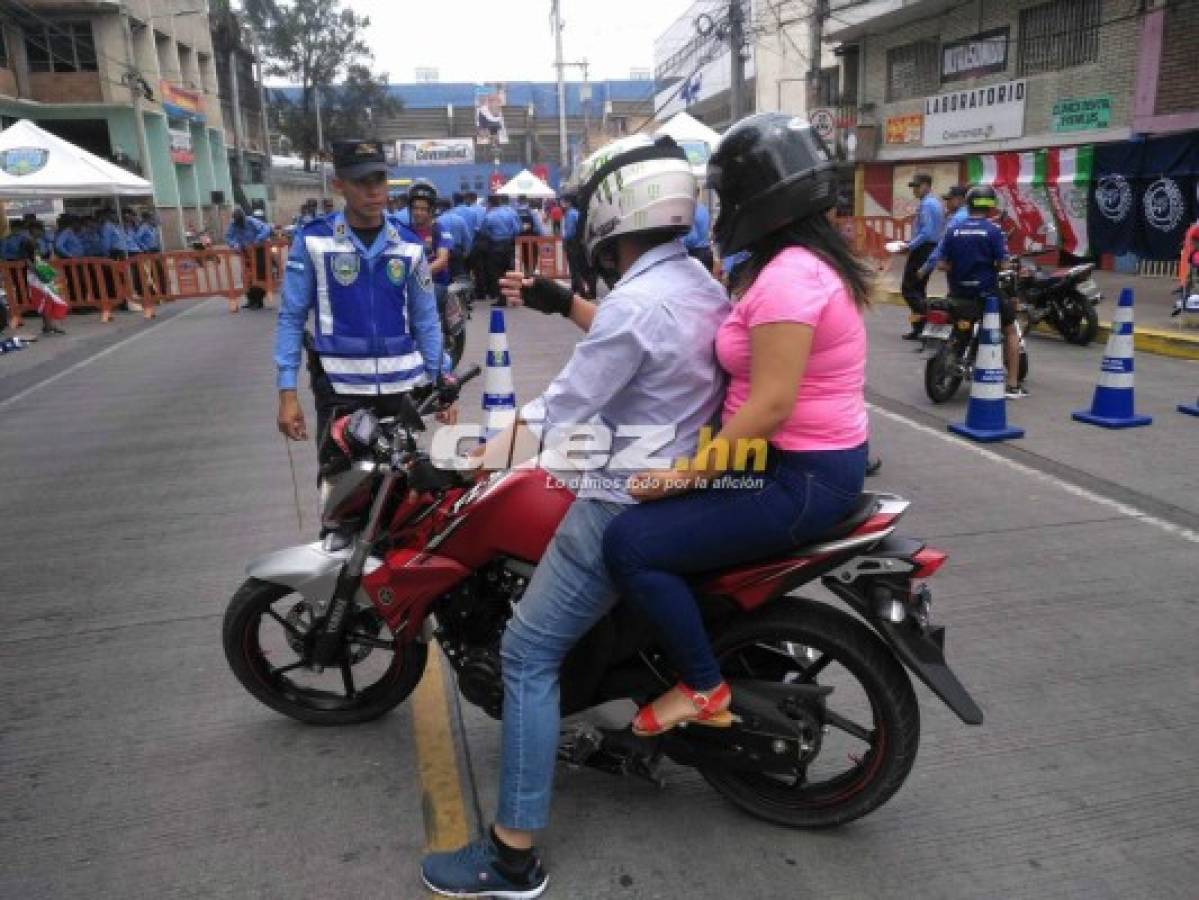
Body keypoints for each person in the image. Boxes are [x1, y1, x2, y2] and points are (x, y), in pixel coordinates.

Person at [420, 134, 729, 900]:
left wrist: (462, 458)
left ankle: (511, 857)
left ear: (610, 217)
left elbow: (559, 411)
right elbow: (640, 348)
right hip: (691, 484)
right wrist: (564, 305)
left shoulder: (635, 304)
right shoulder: (698, 282)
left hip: (621, 496)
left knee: (526, 653)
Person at [601, 111, 872, 739]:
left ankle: (702, 684)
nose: (720, 210)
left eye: (727, 195)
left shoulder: (788, 279)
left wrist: (682, 477)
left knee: (629, 544)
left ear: (759, 196)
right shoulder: (797, 264)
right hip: (790, 464)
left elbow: (770, 405)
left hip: (795, 475)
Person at [274, 139, 447, 468]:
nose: (373, 191)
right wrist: (287, 392)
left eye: (379, 179)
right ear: (339, 184)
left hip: (402, 388)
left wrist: (439, 380)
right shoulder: (313, 240)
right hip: (340, 391)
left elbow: (426, 320)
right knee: (343, 488)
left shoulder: (409, 244)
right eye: (361, 181)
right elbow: (291, 318)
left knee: (401, 485)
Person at [936, 184, 1026, 398]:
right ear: (990, 206)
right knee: (1011, 331)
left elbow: (941, 264)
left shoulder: (953, 230)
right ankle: (1013, 385)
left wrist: (959, 267)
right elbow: (1004, 265)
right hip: (986, 295)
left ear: (968, 204)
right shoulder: (993, 231)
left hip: (958, 294)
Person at [899, 172, 944, 340]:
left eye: (917, 186)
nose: (914, 190)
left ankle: (926, 323)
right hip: (928, 248)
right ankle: (920, 328)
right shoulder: (934, 203)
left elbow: (927, 232)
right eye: (913, 187)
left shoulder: (927, 204)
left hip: (923, 249)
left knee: (908, 289)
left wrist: (909, 246)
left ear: (926, 185)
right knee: (918, 289)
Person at [407, 182, 456, 317]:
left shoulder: (440, 231)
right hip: (408, 284)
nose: (418, 212)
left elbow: (442, 260)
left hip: (435, 283)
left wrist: (418, 275)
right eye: (415, 208)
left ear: (432, 210)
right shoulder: (404, 231)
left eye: (423, 209)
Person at [226, 206, 273, 310]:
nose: (239, 224)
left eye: (240, 222)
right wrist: (234, 244)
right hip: (245, 252)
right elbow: (228, 237)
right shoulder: (233, 224)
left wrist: (257, 240)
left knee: (259, 275)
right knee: (247, 276)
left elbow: (266, 229)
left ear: (243, 217)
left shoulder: (251, 221)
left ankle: (258, 301)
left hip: (258, 251)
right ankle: (251, 300)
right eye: (237, 222)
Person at [918, 185, 969, 279]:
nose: (946, 203)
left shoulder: (956, 219)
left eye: (949, 200)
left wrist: (926, 267)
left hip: (959, 267)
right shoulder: (972, 215)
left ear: (959, 200)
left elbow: (943, 243)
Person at [479, 194, 519, 304]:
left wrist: (492, 236)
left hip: (495, 246)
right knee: (509, 271)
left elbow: (483, 231)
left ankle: (502, 298)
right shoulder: (509, 214)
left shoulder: (489, 216)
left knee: (497, 273)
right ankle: (513, 297)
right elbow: (516, 229)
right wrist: (509, 236)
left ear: (489, 203)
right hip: (508, 245)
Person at [435, 196, 472, 278]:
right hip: (457, 251)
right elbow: (466, 237)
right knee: (458, 276)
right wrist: (467, 252)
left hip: (443, 251)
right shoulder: (460, 219)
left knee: (444, 275)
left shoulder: (438, 220)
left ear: (440, 207)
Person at [683, 192, 714, 272]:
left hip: (695, 255)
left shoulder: (689, 210)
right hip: (706, 252)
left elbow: (691, 238)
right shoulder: (703, 209)